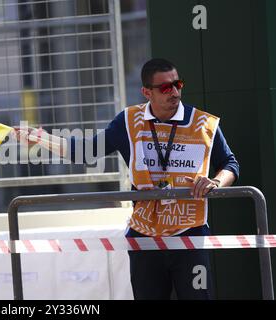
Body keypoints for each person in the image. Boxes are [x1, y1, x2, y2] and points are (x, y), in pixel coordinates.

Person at [13, 58, 239, 300]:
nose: (174, 92)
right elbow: (86, 152)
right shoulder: (129, 121)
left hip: (190, 234)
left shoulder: (204, 124)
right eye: (165, 88)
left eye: (177, 84)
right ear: (146, 92)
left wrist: (215, 182)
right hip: (144, 236)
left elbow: (230, 164)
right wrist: (41, 138)